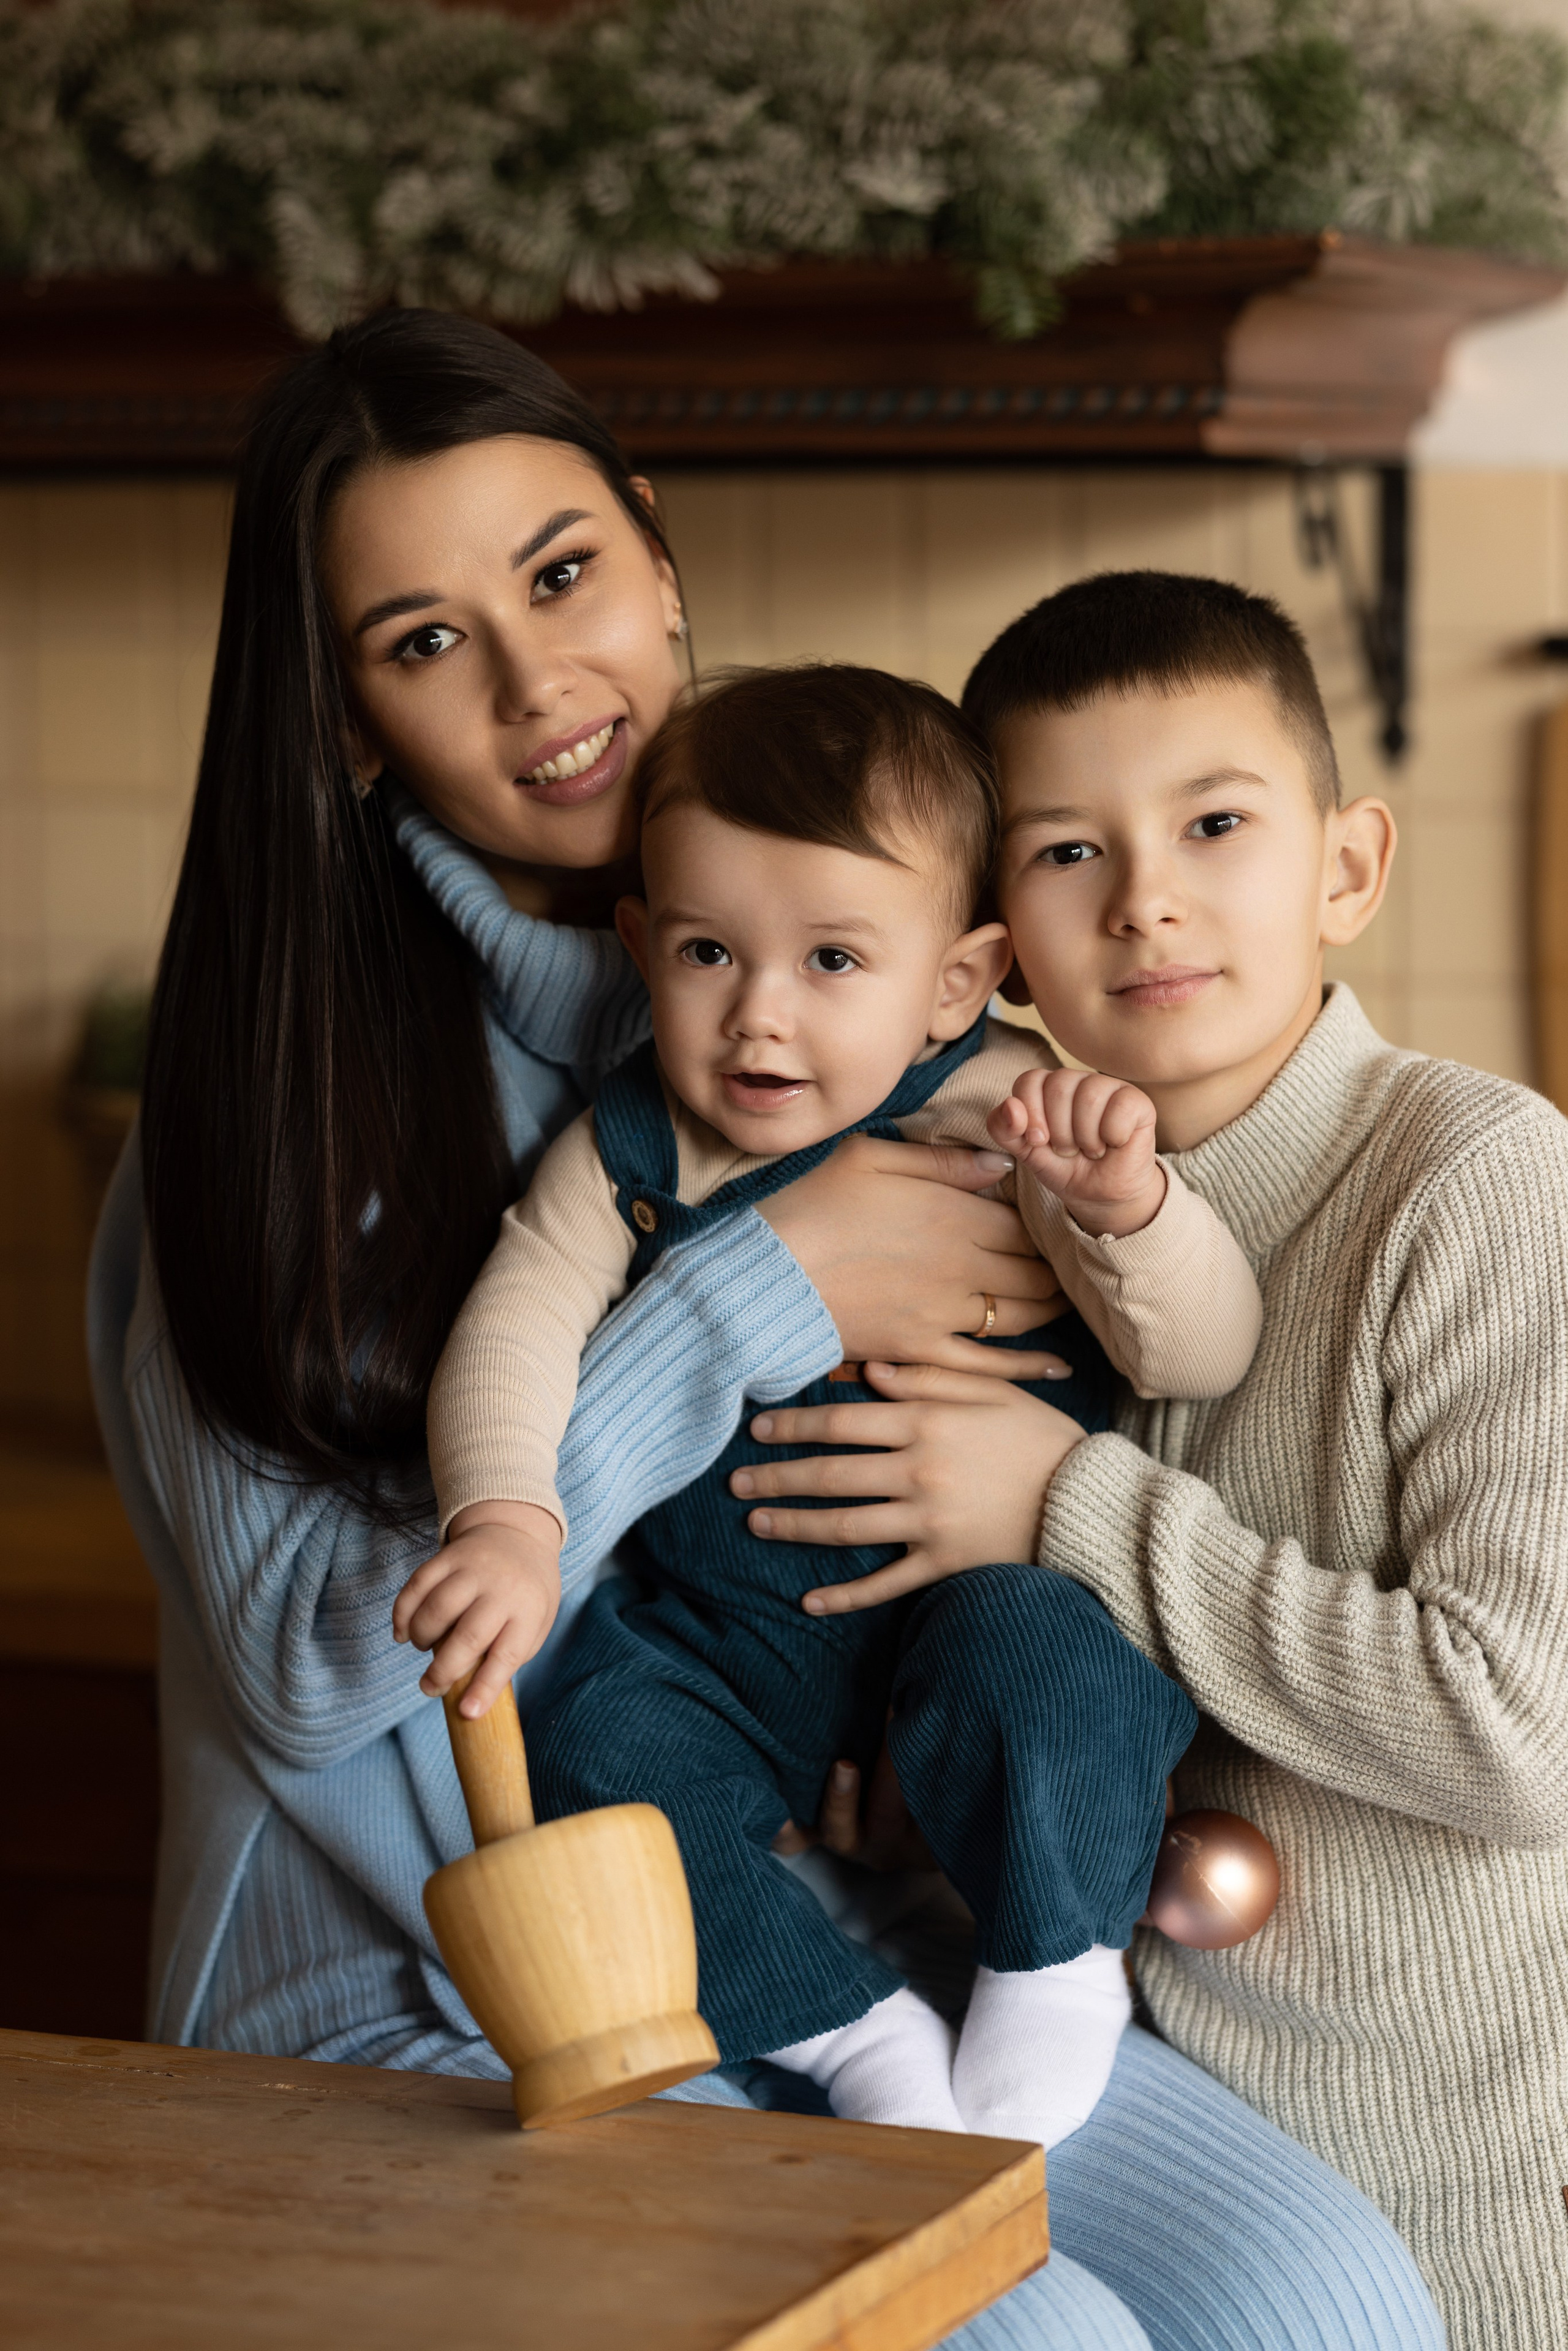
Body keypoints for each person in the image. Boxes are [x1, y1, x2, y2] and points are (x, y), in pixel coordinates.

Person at [85, 309, 1442, 2350]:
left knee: (1327, 2297)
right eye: (425, 639)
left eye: (563, 575)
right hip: (431, 1990)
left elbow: (1129, 1354)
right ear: (350, 715)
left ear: (657, 551)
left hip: (824, 1919)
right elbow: (301, 1672)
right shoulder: (267, 1105)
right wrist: (750, 1290)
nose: (547, 683)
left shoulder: (859, 997)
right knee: (1034, 2334)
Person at [744, 568, 1555, 2344]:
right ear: (993, 938)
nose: (1148, 899)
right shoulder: (978, 1202)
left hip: (1458, 2198)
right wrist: (917, 1809)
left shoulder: (1476, 1183)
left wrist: (1066, 1501)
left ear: (1346, 863)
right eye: (1064, 852)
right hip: (1146, 2155)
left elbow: (1525, 1725)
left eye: (1213, 822)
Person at [404, 660, 1264, 2146]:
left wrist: (1128, 1212)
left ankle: (1055, 1960)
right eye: (706, 954)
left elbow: (1199, 1351)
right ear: (639, 943)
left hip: (961, 1614)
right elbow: (516, 1323)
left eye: (831, 962)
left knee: (1055, 1664)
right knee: (600, 1751)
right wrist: (504, 1519)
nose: (758, 1021)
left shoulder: (1011, 1112)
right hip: (718, 1655)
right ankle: (842, 2029)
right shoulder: (637, 1143)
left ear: (954, 977)